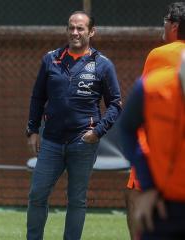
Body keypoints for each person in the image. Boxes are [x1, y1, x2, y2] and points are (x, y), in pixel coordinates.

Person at [25, 11, 122, 240]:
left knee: (76, 200)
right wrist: (32, 130)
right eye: (71, 28)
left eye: (80, 28)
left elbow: (116, 105)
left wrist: (98, 132)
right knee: (37, 194)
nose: (75, 32)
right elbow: (38, 97)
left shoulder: (103, 64)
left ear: (91, 32)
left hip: (83, 143)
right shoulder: (51, 59)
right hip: (50, 141)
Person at [124, 2, 185, 239]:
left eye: (165, 19)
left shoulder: (159, 55)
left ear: (174, 25)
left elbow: (133, 122)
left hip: (160, 157)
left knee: (134, 196)